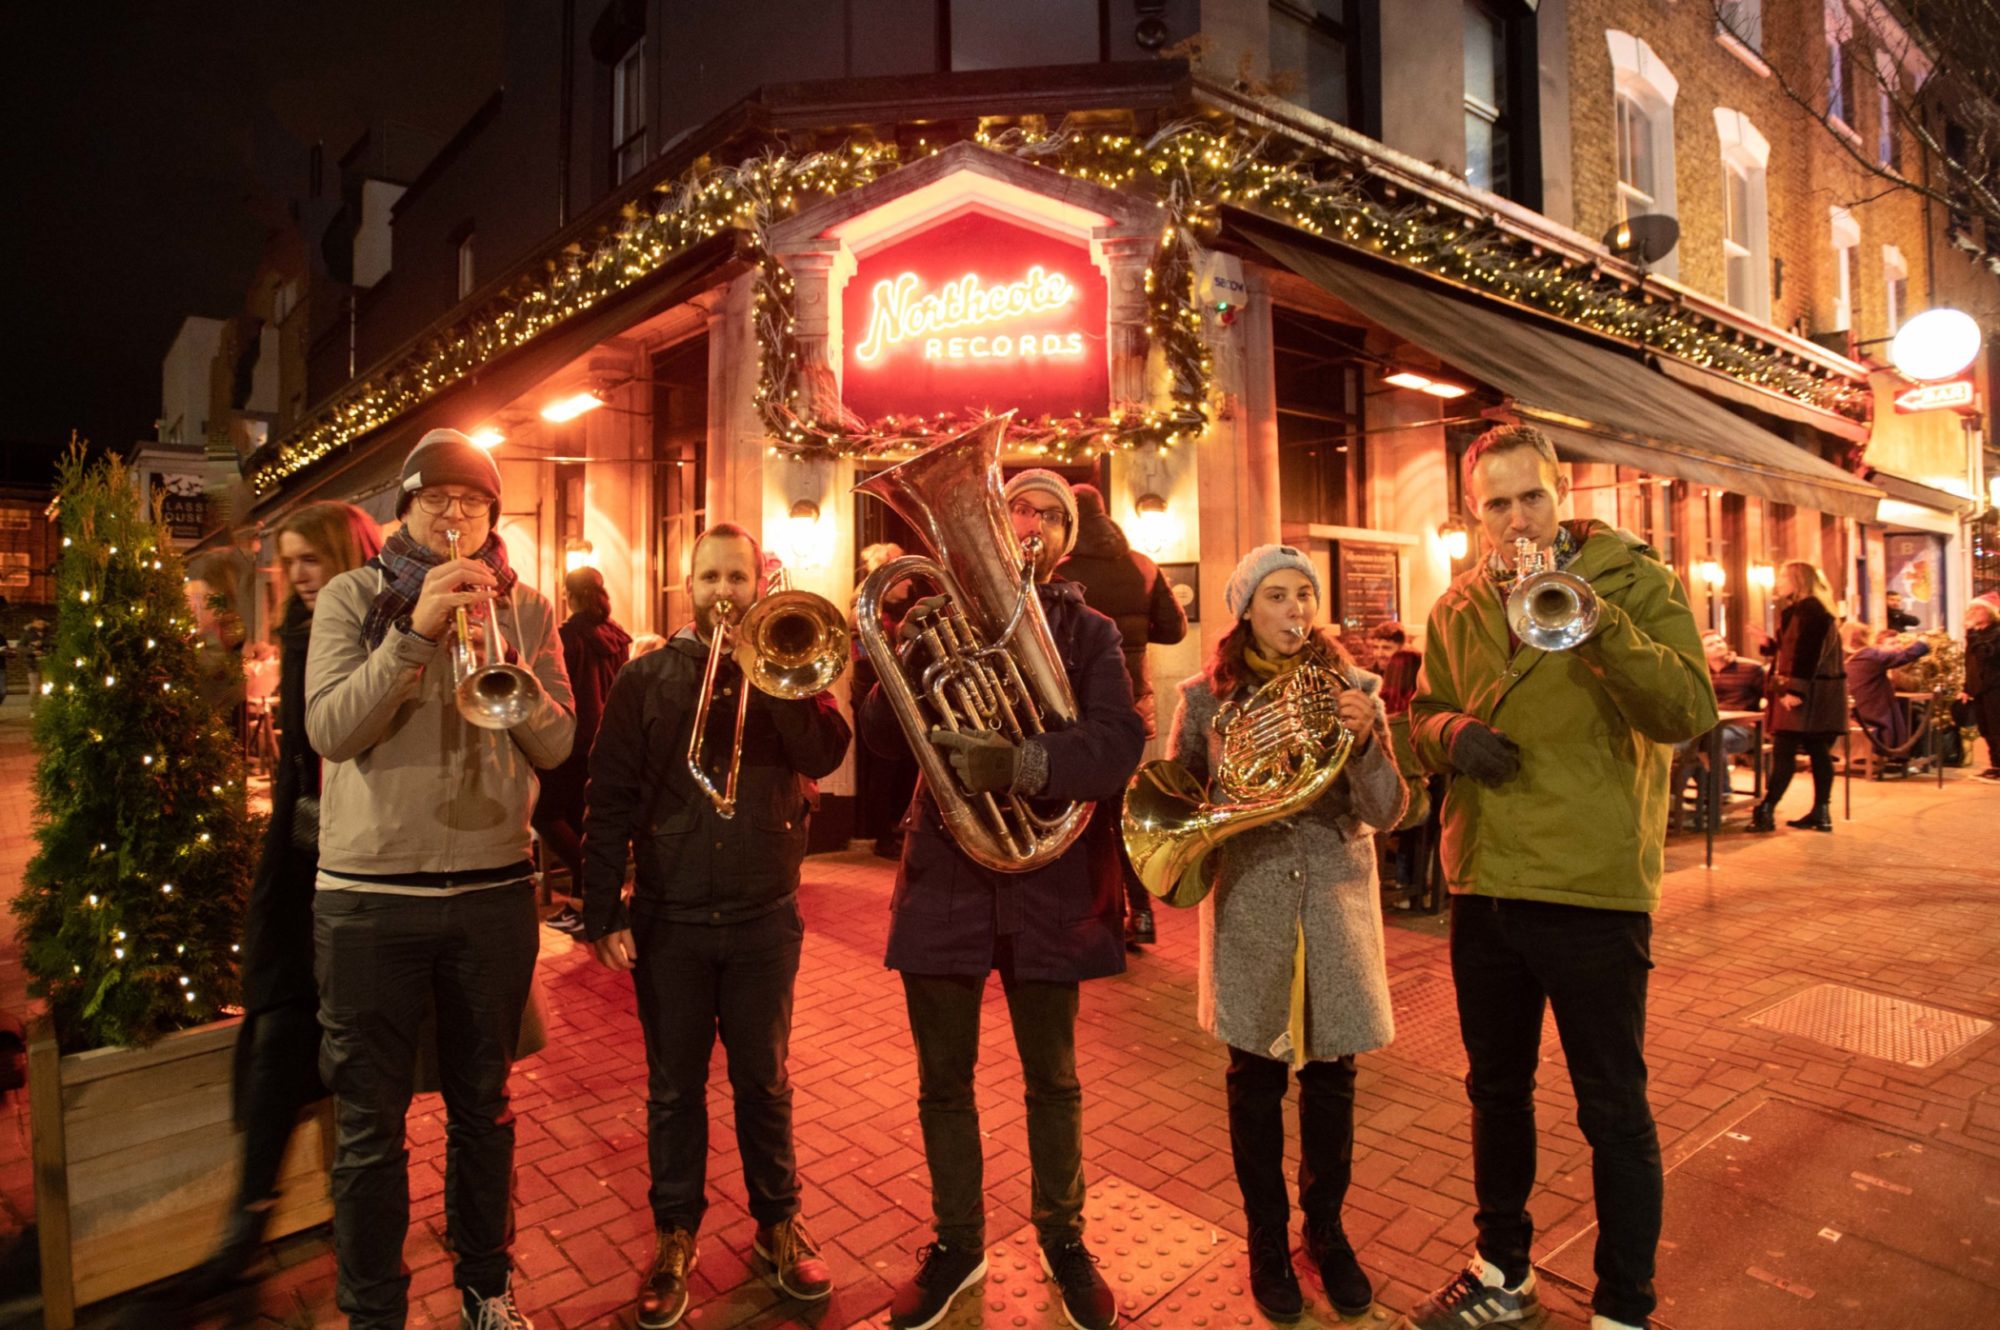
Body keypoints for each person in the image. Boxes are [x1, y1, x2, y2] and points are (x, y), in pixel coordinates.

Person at [1406, 425, 1715, 1330]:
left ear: (1561, 491)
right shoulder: (1457, 604)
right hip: (1485, 883)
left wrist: (1590, 616)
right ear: (1474, 514)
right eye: (1495, 504)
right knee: (1494, 1092)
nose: (1515, 518)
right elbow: (1423, 712)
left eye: (1530, 497)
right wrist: (1449, 735)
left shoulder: (1633, 579)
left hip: (1590, 886)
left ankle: (1624, 1306)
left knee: (1612, 1108)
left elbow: (1685, 710)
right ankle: (1503, 1270)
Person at [860, 469, 1145, 1330]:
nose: (1029, 522)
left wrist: (1021, 766)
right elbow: (879, 740)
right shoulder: (938, 620)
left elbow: (1117, 742)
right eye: (1015, 506)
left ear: (1066, 537)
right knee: (943, 1081)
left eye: (1048, 514)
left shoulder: (1090, 631)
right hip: (948, 873)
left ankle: (1063, 1236)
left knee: (1052, 1079)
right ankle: (957, 1242)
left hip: (1049, 878)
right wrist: (899, 655)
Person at [306, 428, 575, 1330]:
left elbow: (561, 742)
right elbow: (331, 730)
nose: (456, 517)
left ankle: (486, 1290)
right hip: (370, 897)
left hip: (494, 890)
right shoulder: (352, 595)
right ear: (406, 509)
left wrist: (516, 678)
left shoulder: (530, 608)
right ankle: (373, 1310)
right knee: (369, 1127)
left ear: (495, 514)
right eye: (438, 501)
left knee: (485, 1110)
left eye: (474, 504)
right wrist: (414, 637)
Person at [580, 523, 851, 1330]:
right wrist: (602, 909)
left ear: (758, 585)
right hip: (671, 921)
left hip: (766, 918)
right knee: (673, 1091)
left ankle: (776, 1223)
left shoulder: (792, 669)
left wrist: (769, 676)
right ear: (687, 586)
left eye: (738, 576)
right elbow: (608, 798)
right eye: (710, 577)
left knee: (765, 1084)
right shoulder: (646, 679)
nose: (725, 591)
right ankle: (675, 1235)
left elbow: (828, 753)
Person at [1164, 545, 1406, 1320]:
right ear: (1244, 612)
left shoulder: (1355, 689)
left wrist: (1367, 740)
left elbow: (1388, 811)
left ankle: (1326, 1233)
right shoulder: (1204, 698)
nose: (1296, 608)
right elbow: (1179, 805)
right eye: (1277, 595)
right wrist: (1226, 787)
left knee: (1332, 1078)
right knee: (1256, 1078)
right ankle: (1266, 1239)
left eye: (1305, 594)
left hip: (1333, 902)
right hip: (1255, 902)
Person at [166, 503, 382, 1308]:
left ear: (346, 553)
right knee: (279, 1017)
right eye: (286, 561)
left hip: (351, 858)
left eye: (307, 557)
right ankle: (249, 1221)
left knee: (325, 1029)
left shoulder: (354, 628)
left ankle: (253, 1227)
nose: (294, 574)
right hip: (304, 853)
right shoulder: (302, 630)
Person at [1057, 483, 1188, 946]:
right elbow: (1173, 631)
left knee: (1088, 814)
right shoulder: (1143, 565)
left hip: (1079, 705)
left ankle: (1104, 915)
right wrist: (1133, 636)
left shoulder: (1062, 569)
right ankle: (1142, 911)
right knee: (1120, 808)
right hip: (1133, 701)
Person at [535, 566, 631, 935]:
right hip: (605, 740)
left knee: (545, 814)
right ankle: (581, 905)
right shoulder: (616, 637)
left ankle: (584, 881)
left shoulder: (566, 638)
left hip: (571, 740)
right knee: (580, 820)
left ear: (569, 595)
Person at [1749, 561, 1846, 833]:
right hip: (1816, 692)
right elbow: (1794, 648)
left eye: (1783, 576)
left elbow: (1807, 653)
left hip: (1808, 695)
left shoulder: (1809, 610)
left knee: (1787, 752)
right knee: (1817, 752)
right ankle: (1820, 812)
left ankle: (1767, 809)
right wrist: (1769, 643)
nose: (1778, 582)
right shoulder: (1807, 610)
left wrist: (1795, 689)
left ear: (1798, 580)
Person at [851, 541, 921, 859]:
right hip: (876, 703)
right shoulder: (866, 612)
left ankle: (891, 828)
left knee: (895, 769)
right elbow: (866, 662)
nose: (910, 582)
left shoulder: (885, 610)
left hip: (888, 700)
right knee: (883, 770)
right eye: (903, 576)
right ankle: (883, 837)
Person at [1844, 622, 1930, 753]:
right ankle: (1894, 756)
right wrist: (1922, 643)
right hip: (1871, 713)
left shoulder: (1846, 656)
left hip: (1856, 709)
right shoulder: (1870, 655)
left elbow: (1914, 683)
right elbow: (1905, 657)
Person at [1963, 594, 2000, 780]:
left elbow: (1985, 655)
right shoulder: (1976, 634)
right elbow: (1970, 663)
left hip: (1995, 689)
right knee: (1985, 729)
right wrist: (1966, 687)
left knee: (1997, 728)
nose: (1972, 612)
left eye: (1977, 609)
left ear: (1990, 612)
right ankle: (1995, 765)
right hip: (1979, 690)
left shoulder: (1996, 633)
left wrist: (1971, 633)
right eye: (1971, 608)